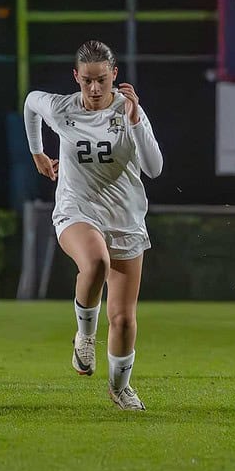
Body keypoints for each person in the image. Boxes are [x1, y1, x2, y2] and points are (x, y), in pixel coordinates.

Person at [23, 40, 163, 409]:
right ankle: (84, 337)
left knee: (122, 319)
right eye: (87, 81)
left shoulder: (129, 111)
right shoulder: (62, 108)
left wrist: (134, 119)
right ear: (76, 78)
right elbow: (30, 103)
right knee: (96, 262)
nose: (95, 89)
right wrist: (38, 152)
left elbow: (154, 168)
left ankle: (119, 388)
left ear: (115, 75)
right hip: (76, 211)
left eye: (102, 79)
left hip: (126, 220)